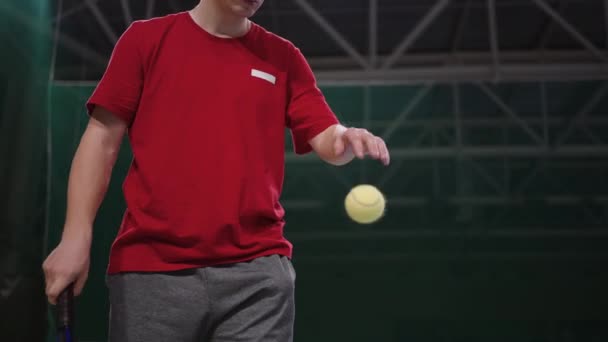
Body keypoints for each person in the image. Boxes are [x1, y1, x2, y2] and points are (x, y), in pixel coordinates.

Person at [42, 0, 391, 341]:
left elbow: (327, 136)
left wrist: (345, 137)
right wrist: (76, 236)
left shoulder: (284, 57)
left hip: (258, 277)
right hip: (151, 271)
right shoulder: (145, 40)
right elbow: (102, 139)